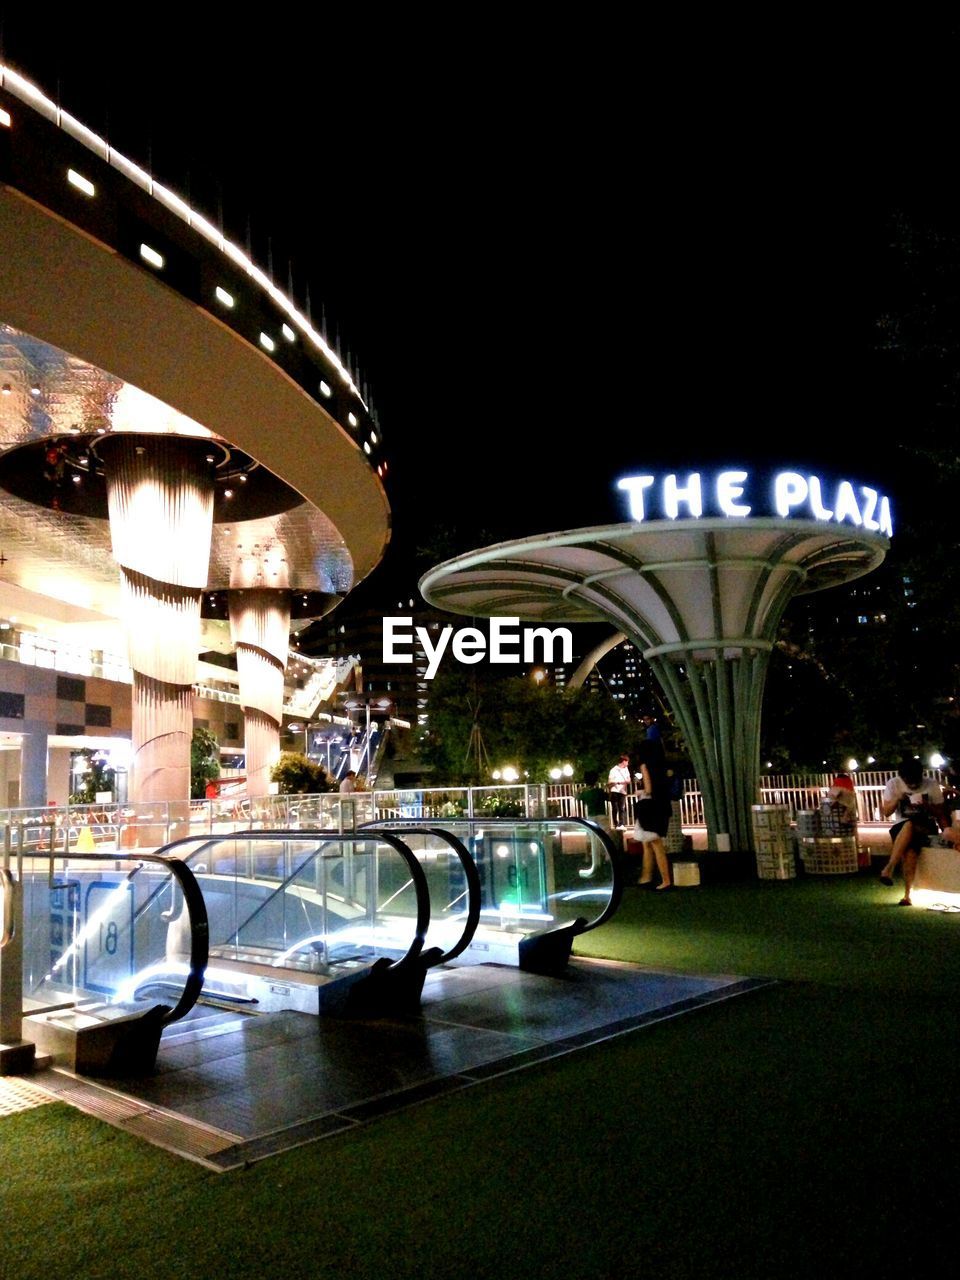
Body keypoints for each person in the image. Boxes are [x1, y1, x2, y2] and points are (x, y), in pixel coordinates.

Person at [878, 758, 955, 904]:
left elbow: (940, 813)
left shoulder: (931, 784)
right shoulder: (893, 784)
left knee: (911, 825)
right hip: (901, 827)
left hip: (925, 825)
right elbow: (887, 812)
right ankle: (907, 895)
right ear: (902, 777)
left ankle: (889, 867)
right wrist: (897, 799)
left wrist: (927, 806)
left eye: (915, 782)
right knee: (910, 850)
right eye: (909, 782)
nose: (912, 785)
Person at [634, 739, 673, 890]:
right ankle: (646, 877)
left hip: (649, 807)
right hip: (662, 805)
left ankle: (665, 880)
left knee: (654, 843)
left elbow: (648, 789)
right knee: (649, 843)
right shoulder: (662, 766)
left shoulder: (645, 765)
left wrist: (640, 791)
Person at [607, 754, 631, 828]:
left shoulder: (626, 769)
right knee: (615, 808)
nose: (628, 764)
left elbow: (629, 780)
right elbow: (610, 781)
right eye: (627, 762)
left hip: (623, 791)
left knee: (622, 808)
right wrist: (618, 782)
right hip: (614, 790)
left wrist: (625, 781)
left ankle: (621, 823)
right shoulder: (613, 770)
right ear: (623, 761)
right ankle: (615, 823)